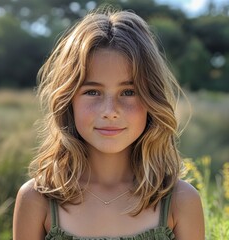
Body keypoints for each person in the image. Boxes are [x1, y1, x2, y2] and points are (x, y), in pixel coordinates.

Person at [13, 7, 205, 240]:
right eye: (93, 92)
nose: (110, 111)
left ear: (152, 98)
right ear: (68, 100)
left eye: (129, 92)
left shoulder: (180, 201)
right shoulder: (37, 199)